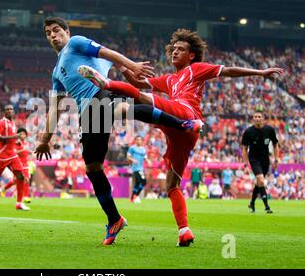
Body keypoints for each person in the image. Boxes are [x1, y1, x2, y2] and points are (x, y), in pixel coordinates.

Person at [79, 28, 284, 246]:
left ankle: (106, 84)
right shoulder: (169, 80)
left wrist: (260, 72)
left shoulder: (196, 69)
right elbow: (137, 83)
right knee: (172, 184)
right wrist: (122, 67)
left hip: (186, 113)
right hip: (178, 133)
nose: (175, 52)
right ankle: (184, 231)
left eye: (181, 49)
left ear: (192, 54)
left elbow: (228, 70)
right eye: (174, 49)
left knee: (143, 100)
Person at [34, 17, 203, 246]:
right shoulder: (56, 73)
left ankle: (181, 123)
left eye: (56, 30)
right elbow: (54, 106)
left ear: (66, 31)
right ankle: (114, 219)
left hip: (101, 94)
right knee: (92, 168)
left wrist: (131, 65)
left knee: (119, 108)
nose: (53, 35)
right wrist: (45, 139)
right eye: (48, 33)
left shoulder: (75, 43)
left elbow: (107, 53)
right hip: (89, 114)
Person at [242, 111, 279, 214]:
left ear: (263, 118)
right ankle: (267, 206)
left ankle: (252, 203)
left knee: (259, 183)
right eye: (255, 117)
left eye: (259, 116)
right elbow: (244, 149)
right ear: (253, 119)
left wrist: (276, 159)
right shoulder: (248, 132)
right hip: (254, 159)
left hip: (265, 160)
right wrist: (245, 164)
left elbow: (276, 145)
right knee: (261, 180)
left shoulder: (269, 130)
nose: (257, 118)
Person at [2, 127, 32, 204]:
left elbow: (26, 151)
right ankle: (4, 189)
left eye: (24, 134)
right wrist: (23, 149)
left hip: (25, 164)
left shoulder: (25, 143)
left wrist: (30, 152)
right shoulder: (16, 143)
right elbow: (14, 152)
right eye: (21, 134)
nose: (23, 135)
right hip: (18, 164)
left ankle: (25, 197)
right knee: (15, 181)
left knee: (26, 179)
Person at [127, 136, 150, 203]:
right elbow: (128, 156)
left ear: (142, 141)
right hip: (136, 168)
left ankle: (131, 199)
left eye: (139, 140)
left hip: (141, 168)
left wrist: (148, 161)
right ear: (135, 141)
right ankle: (136, 195)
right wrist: (133, 159)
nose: (138, 141)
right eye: (137, 140)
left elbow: (145, 158)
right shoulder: (132, 148)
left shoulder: (143, 149)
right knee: (144, 181)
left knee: (137, 184)